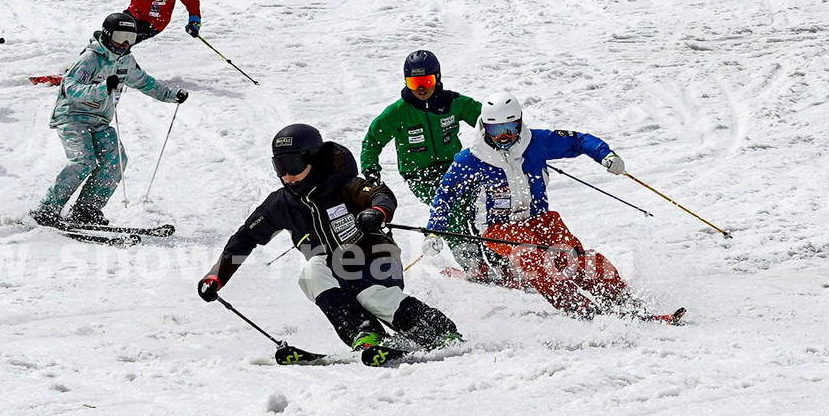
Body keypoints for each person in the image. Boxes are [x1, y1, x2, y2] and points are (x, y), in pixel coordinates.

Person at [198, 123, 460, 353]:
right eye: (279, 166)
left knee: (372, 295)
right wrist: (217, 276)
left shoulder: (342, 183)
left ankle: (439, 332)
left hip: (374, 257)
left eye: (293, 165)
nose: (286, 175)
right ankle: (365, 333)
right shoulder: (282, 203)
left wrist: (377, 211)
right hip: (334, 270)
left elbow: (379, 193)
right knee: (311, 273)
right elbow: (245, 238)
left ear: (313, 158)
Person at [425, 93, 640, 319]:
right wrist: (433, 231)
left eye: (510, 128)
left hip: (540, 219)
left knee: (575, 258)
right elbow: (445, 195)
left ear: (520, 122)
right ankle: (579, 308)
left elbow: (578, 140)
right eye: (496, 130)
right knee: (531, 255)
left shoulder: (536, 142)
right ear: (484, 127)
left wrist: (604, 154)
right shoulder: (470, 159)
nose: (504, 136)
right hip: (498, 226)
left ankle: (624, 302)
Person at [30, 13, 188, 228]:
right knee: (83, 161)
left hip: (100, 121)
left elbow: (143, 82)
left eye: (129, 39)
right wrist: (102, 88)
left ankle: (86, 210)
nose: (123, 44)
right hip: (73, 118)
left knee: (116, 161)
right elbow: (71, 88)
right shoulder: (90, 58)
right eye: (119, 37)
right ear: (106, 35)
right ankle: (47, 209)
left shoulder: (126, 60)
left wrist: (171, 95)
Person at [360, 49, 505, 279]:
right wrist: (370, 169)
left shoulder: (454, 103)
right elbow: (372, 140)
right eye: (414, 82)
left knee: (481, 204)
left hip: (455, 166)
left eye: (426, 81)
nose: (421, 88)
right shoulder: (398, 113)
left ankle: (499, 256)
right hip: (421, 174)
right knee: (452, 209)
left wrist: (504, 137)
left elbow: (486, 118)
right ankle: (472, 263)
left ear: (437, 78)